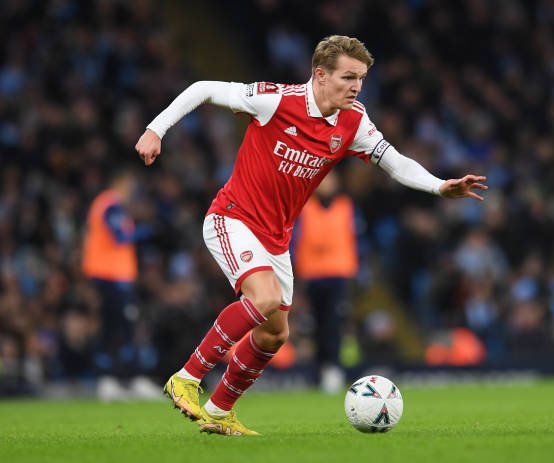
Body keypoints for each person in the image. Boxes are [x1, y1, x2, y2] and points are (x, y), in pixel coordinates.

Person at [135, 35, 487, 436]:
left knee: (274, 334)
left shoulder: (354, 121)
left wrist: (439, 186)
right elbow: (202, 88)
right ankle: (186, 377)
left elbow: (394, 162)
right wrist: (156, 129)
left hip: (276, 238)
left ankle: (218, 411)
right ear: (320, 75)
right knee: (264, 297)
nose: (356, 86)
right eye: (348, 77)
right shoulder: (275, 101)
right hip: (232, 218)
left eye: (361, 78)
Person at [81, 170, 158, 401]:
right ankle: (122, 379)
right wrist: (145, 231)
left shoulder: (108, 205)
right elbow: (120, 237)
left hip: (112, 276)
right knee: (121, 327)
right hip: (110, 277)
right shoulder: (110, 205)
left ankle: (118, 380)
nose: (133, 191)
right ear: (119, 182)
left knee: (117, 326)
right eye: (130, 185)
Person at [292, 170, 360, 393]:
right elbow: (298, 240)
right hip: (312, 274)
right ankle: (319, 369)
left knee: (334, 323)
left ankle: (333, 367)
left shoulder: (345, 206)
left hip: (339, 273)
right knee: (315, 324)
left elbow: (354, 239)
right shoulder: (305, 207)